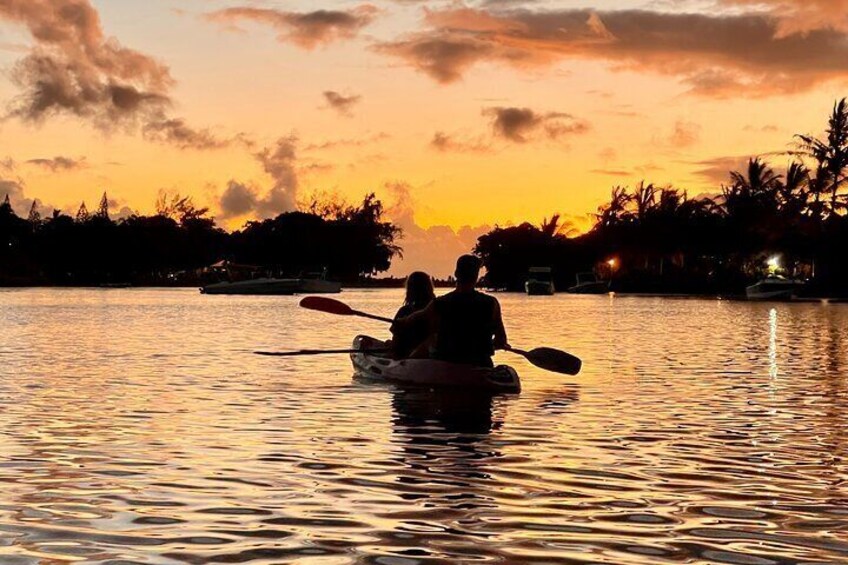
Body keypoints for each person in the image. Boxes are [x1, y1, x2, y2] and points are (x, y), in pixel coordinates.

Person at [394, 255, 509, 367]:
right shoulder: (492, 303)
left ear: (456, 274)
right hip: (481, 362)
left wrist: (402, 321)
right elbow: (501, 340)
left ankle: (404, 365)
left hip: (447, 361)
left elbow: (416, 317)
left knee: (430, 341)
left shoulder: (440, 303)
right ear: (476, 276)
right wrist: (487, 346)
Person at [390, 271, 435, 358]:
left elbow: (396, 340)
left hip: (408, 357)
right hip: (430, 356)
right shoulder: (436, 309)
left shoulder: (404, 311)